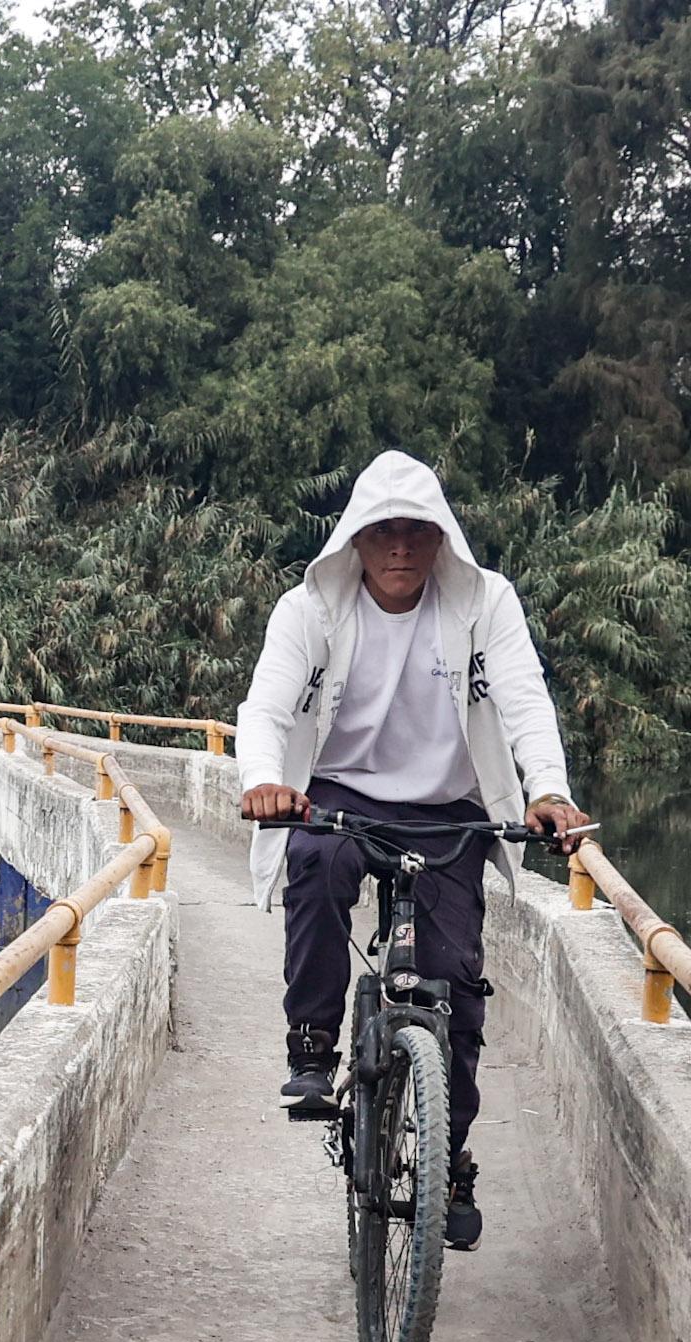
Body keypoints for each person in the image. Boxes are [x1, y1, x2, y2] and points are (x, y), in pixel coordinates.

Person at [234, 450, 590, 1251]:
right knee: (317, 865)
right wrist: (264, 779)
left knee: (458, 985)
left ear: (442, 540)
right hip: (340, 794)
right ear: (355, 540)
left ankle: (449, 1153)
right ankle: (313, 1045)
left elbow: (525, 697)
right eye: (383, 531)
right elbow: (265, 704)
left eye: (417, 532)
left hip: (447, 809)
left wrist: (548, 790)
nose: (401, 547)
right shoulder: (311, 610)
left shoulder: (482, 603)